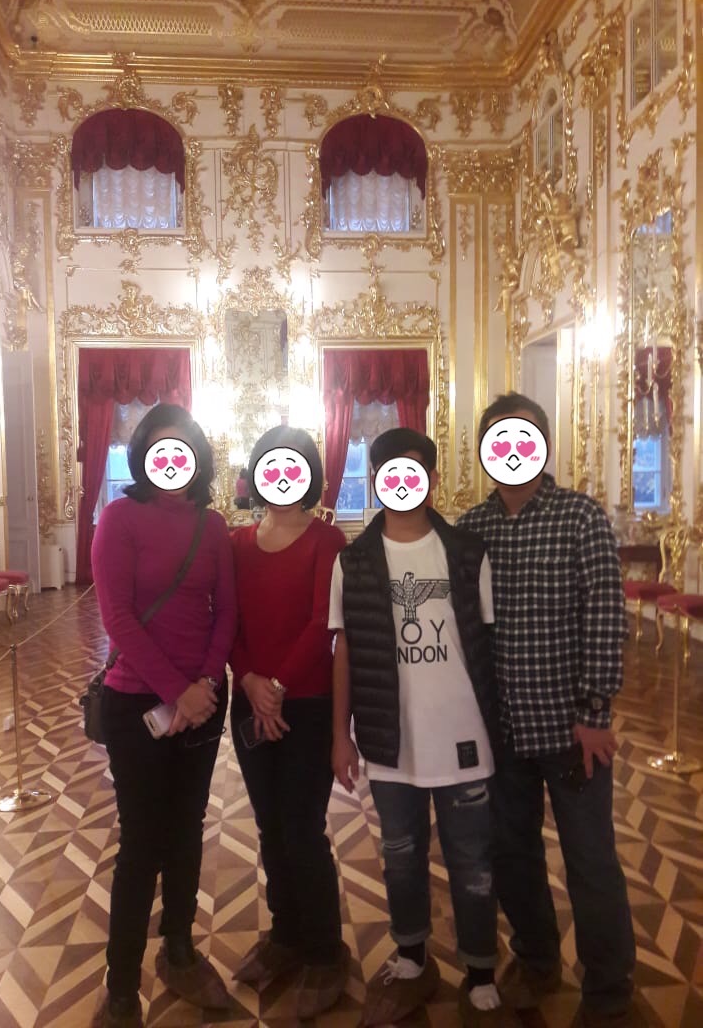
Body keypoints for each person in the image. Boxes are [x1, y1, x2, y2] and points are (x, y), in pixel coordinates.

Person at [458, 392, 638, 1028]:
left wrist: (595, 712)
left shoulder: (580, 518)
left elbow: (605, 618)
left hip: (571, 730)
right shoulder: (472, 528)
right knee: (511, 853)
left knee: (589, 859)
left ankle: (609, 989)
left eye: (523, 438)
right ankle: (536, 958)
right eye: (499, 440)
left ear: (544, 445)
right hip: (501, 731)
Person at [330, 427, 507, 1028]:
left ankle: (480, 966)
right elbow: (345, 650)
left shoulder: (467, 552)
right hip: (390, 738)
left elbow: (486, 642)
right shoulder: (352, 561)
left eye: (415, 473)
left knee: (472, 859)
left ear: (431, 480)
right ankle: (411, 953)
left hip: (463, 736)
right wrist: (340, 735)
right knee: (400, 854)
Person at [91, 403, 236, 1028]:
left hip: (202, 701)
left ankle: (179, 949)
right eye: (161, 449)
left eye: (184, 450)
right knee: (141, 842)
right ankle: (122, 986)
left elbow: (227, 613)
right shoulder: (118, 518)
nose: (173, 461)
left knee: (186, 830)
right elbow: (117, 617)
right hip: (136, 703)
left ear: (198, 459)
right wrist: (177, 692)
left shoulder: (214, 524)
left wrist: (203, 686)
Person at [229, 425, 350, 1019]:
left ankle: (325, 950)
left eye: (294, 465)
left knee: (302, 829)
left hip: (306, 704)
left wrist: (275, 688)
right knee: (270, 827)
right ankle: (286, 934)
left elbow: (322, 621)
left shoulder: (329, 538)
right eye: (272, 466)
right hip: (250, 702)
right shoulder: (236, 543)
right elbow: (228, 622)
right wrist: (251, 682)